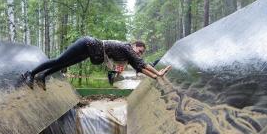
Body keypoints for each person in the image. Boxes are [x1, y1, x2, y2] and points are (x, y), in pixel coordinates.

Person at [22, 36, 172, 90]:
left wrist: (155, 77)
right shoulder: (127, 48)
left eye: (141, 53)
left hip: (88, 53)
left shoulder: (129, 56)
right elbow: (143, 64)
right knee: (60, 60)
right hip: (86, 44)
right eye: (139, 51)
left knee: (62, 65)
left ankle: (42, 76)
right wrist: (158, 73)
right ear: (134, 46)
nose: (139, 54)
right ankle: (31, 73)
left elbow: (140, 67)